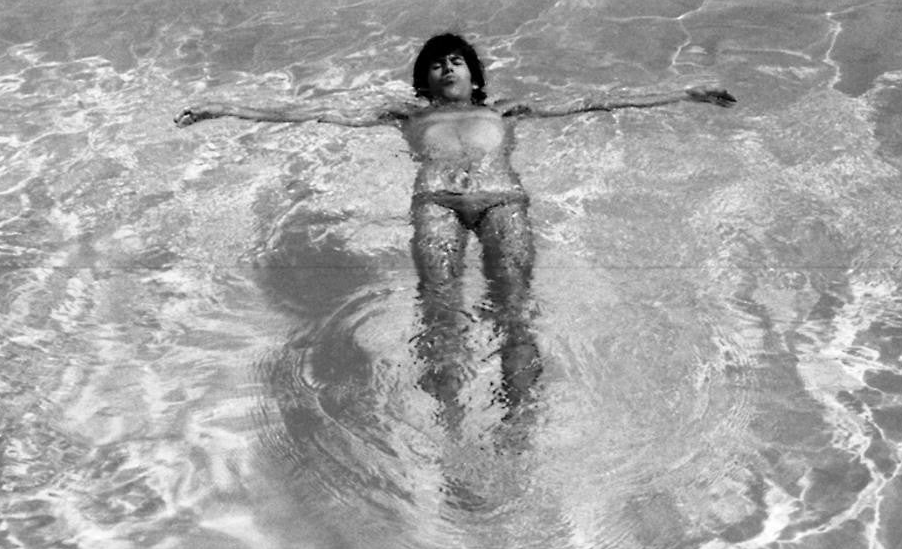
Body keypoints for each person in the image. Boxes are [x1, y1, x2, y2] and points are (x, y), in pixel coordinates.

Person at [177, 33, 734, 424]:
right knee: (440, 308)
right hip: (436, 202)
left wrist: (683, 93)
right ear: (425, 79)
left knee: (513, 310)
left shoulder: (508, 110)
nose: (447, 67)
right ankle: (448, 417)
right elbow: (308, 113)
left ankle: (520, 417)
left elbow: (596, 102)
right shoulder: (407, 116)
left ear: (474, 75)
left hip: (503, 202)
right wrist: (224, 108)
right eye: (438, 63)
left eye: (457, 61)